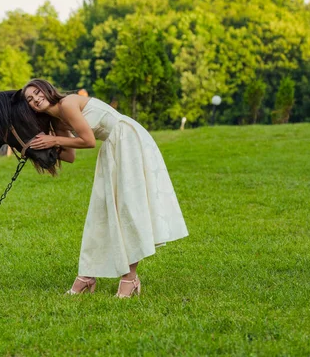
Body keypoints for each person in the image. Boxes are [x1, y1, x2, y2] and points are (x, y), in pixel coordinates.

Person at [21, 78, 188, 298]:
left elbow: (88, 141)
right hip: (112, 146)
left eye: (37, 93)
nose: (36, 100)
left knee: (128, 208)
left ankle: (130, 278)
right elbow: (70, 156)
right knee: (102, 210)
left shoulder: (69, 103)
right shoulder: (58, 121)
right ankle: (87, 276)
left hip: (127, 140)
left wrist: (53, 141)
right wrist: (33, 147)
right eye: (30, 100)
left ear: (47, 89)